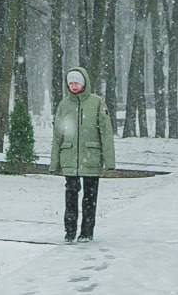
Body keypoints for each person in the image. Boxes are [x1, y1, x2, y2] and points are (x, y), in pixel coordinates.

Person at [51, 66, 115, 243]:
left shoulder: (97, 103)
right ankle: (70, 231)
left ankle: (86, 232)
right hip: (69, 157)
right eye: (70, 83)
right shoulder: (64, 105)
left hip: (91, 156)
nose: (73, 86)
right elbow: (58, 135)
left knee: (90, 197)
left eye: (76, 83)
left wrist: (109, 160)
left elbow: (106, 132)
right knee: (70, 195)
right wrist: (54, 161)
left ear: (84, 83)